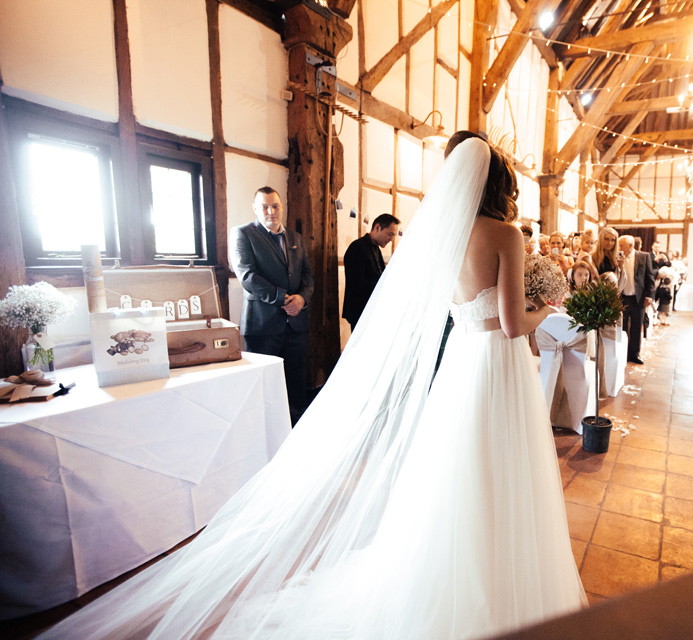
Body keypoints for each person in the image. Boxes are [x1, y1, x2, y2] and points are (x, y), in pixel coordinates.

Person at [42, 137, 586, 639]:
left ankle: (448, 575)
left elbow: (461, 311)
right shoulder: (506, 236)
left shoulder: (444, 237)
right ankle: (503, 579)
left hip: (464, 369)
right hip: (498, 365)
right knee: (505, 469)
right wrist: (548, 309)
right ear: (499, 185)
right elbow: (514, 325)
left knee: (459, 472)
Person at [230, 186, 314, 424]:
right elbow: (247, 276)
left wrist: (301, 299)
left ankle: (296, 431)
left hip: (296, 324)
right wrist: (283, 299)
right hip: (262, 325)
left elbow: (307, 275)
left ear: (281, 207)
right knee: (264, 386)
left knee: (296, 384)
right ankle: (265, 434)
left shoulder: (295, 238)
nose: (270, 211)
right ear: (255, 208)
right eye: (264, 206)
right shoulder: (243, 234)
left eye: (275, 206)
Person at [342, 213, 400, 331]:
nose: (391, 239)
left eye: (393, 236)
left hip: (372, 311)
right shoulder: (357, 247)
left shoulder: (375, 248)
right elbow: (358, 284)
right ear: (377, 227)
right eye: (389, 234)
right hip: (361, 311)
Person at [618, 236, 655, 364]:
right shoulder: (617, 257)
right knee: (621, 328)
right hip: (622, 298)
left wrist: (650, 296)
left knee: (636, 327)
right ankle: (622, 353)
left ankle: (634, 355)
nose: (619, 248)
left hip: (638, 298)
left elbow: (650, 278)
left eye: (621, 245)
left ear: (630, 245)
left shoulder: (644, 256)